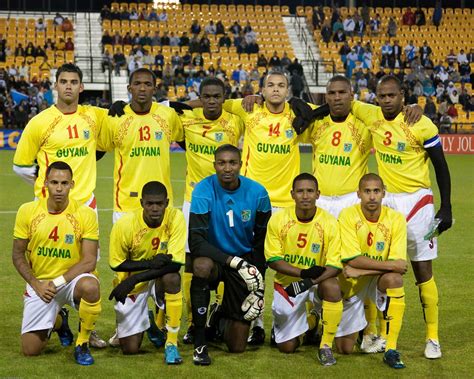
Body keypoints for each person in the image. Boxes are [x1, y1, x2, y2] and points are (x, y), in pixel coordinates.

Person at [352, 75, 453, 359]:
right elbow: (340, 101)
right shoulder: (371, 115)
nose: (386, 101)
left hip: (418, 202)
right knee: (382, 270)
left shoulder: (421, 123)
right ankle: (381, 334)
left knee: (423, 271)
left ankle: (432, 337)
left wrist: (446, 208)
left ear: (402, 95)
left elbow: (441, 167)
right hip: (386, 203)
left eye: (391, 96)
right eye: (381, 96)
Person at [12, 63, 108, 349]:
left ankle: (86, 330)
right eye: (63, 81)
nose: (68, 86)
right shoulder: (40, 122)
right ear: (56, 86)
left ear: (81, 87)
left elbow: (116, 129)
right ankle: (52, 316)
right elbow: (19, 165)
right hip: (49, 208)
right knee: (43, 263)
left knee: (89, 272)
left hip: (85, 205)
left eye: (73, 81)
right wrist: (45, 186)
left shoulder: (94, 117)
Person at [12, 161, 101, 365]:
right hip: (41, 283)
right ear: (45, 183)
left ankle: (82, 344)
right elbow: (17, 255)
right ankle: (60, 322)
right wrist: (37, 284)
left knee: (91, 286)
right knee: (30, 350)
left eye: (64, 183)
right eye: (54, 182)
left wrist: (58, 282)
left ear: (72, 184)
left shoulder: (85, 214)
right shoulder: (27, 211)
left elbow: (89, 260)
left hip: (70, 281)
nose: (59, 188)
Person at [189, 144, 271, 365]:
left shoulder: (258, 193)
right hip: (216, 259)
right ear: (214, 165)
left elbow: (261, 242)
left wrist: (258, 286)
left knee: (237, 346)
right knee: (201, 267)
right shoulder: (203, 190)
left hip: (244, 263)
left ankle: (218, 316)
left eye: (232, 163)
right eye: (222, 163)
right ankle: (199, 340)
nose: (227, 168)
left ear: (240, 164)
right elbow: (195, 242)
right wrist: (232, 261)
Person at [177, 78, 244, 344]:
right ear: (200, 97)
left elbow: (256, 104)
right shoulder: (186, 119)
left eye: (217, 96)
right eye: (207, 96)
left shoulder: (235, 120)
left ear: (224, 97)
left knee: (228, 257)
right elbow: (170, 108)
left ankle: (219, 312)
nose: (212, 101)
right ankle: (194, 322)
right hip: (194, 200)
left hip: (227, 199)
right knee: (193, 263)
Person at [264, 173, 347, 366]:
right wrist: (302, 274)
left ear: (318, 194)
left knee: (333, 287)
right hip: (288, 285)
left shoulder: (329, 223)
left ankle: (325, 347)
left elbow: (335, 266)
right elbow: (273, 260)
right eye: (300, 191)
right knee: (287, 347)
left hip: (317, 282)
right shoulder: (278, 220)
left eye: (310, 191)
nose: (305, 196)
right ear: (292, 194)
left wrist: (308, 282)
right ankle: (311, 323)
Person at [108, 181, 185, 364]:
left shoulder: (176, 218)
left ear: (167, 203)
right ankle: (148, 321)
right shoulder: (125, 224)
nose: (155, 208)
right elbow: (116, 263)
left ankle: (171, 343)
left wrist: (136, 277)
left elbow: (175, 264)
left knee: (172, 278)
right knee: (130, 349)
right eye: (150, 204)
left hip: (156, 277)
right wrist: (149, 264)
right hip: (133, 284)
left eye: (159, 204)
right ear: (142, 203)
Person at [338, 173, 408, 368]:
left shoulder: (396, 219)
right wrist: (388, 266)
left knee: (394, 280)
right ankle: (360, 328)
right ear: (358, 193)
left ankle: (391, 349)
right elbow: (351, 259)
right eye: (367, 191)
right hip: (351, 282)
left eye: (376, 191)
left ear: (383, 193)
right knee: (344, 348)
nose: (372, 196)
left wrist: (361, 271)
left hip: (374, 278)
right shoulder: (347, 215)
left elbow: (397, 266)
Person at [98, 68, 183, 221]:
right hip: (125, 204)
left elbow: (184, 137)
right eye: (137, 84)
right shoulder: (115, 118)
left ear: (154, 89)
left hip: (161, 203)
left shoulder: (168, 115)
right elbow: (100, 149)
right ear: (129, 88)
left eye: (147, 84)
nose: (142, 88)